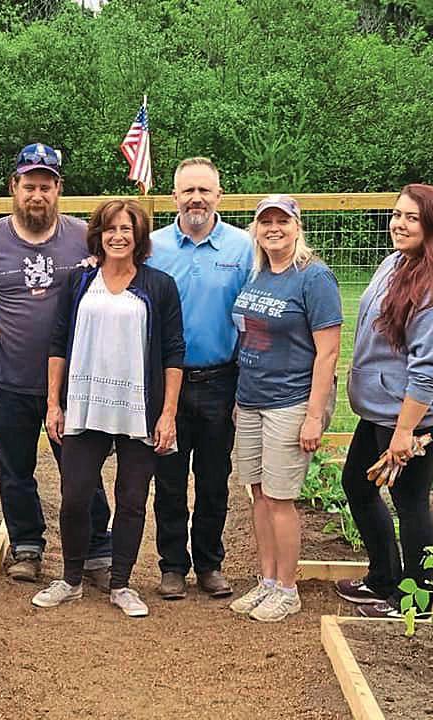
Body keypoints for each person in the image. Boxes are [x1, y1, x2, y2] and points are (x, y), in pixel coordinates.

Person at [0, 143, 113, 587]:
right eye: (29, 186)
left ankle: (97, 547)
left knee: (82, 468)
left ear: (58, 190)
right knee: (15, 469)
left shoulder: (83, 236)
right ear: (14, 188)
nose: (37, 195)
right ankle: (26, 545)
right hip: (10, 378)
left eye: (46, 186)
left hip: (73, 381)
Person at [32, 200, 184, 618]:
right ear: (97, 234)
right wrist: (53, 403)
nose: (118, 236)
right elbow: (58, 343)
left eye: (127, 229)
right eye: (110, 228)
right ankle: (71, 579)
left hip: (139, 409)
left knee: (132, 499)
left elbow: (174, 352)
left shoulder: (159, 285)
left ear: (140, 237)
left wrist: (168, 413)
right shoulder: (79, 282)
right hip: (84, 407)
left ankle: (121, 583)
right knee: (75, 497)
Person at [334, 184, 433, 618]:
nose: (399, 223)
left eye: (412, 217)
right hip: (383, 409)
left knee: (410, 502)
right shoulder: (397, 264)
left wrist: (405, 432)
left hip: (415, 416)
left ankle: (417, 600)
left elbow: (430, 369)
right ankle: (383, 578)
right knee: (358, 484)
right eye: (396, 215)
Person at [227, 195, 342, 622]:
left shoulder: (314, 278)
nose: (273, 228)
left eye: (282, 221)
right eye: (265, 222)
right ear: (256, 229)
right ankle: (267, 581)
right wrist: (241, 398)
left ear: (297, 226)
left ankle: (288, 588)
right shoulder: (258, 274)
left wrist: (314, 415)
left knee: (280, 498)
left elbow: (328, 353)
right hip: (252, 398)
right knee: (257, 493)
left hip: (290, 402)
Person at [146, 158, 253, 599]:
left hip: (220, 379)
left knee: (214, 477)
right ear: (173, 197)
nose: (196, 199)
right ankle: (172, 565)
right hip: (165, 384)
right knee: (168, 477)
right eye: (188, 190)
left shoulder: (243, 248)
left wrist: (244, 385)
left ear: (219, 196)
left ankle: (210, 563)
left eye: (205, 191)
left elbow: (254, 319)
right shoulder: (151, 246)